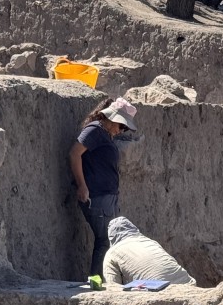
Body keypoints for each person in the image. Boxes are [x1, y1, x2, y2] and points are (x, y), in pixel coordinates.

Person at [69, 97, 138, 279]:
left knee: (108, 240)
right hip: (97, 196)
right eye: (121, 126)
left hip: (107, 197)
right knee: (104, 241)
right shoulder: (95, 130)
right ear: (112, 118)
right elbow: (75, 153)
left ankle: (102, 281)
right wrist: (82, 185)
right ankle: (96, 282)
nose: (120, 131)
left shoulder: (104, 133)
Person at [103, 217, 196, 287]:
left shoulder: (112, 253)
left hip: (159, 290)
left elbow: (114, 288)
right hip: (188, 284)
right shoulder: (149, 241)